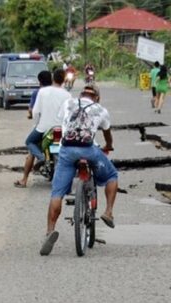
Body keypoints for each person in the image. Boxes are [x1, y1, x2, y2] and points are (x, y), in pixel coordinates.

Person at [40, 84, 118, 256]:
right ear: (96, 97)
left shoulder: (68, 103)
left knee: (57, 193)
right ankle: (108, 212)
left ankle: (49, 231)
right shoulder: (100, 110)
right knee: (112, 175)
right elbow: (107, 134)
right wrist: (109, 146)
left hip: (67, 151)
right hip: (89, 151)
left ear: (81, 95)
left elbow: (62, 122)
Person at [16, 69, 70, 188]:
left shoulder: (42, 91)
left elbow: (35, 112)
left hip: (43, 128)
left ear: (53, 78)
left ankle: (39, 159)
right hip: (60, 129)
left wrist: (37, 120)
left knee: (29, 142)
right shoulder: (67, 94)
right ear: (63, 80)